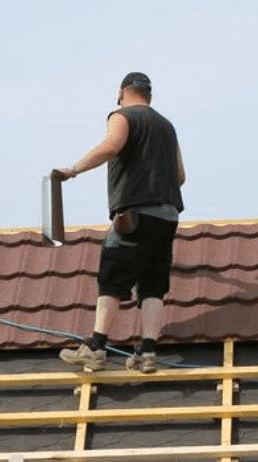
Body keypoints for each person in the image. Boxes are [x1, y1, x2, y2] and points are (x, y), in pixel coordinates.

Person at [55, 71, 185, 374]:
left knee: (112, 276)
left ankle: (96, 348)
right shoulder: (167, 127)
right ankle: (148, 354)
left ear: (122, 92)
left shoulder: (121, 115)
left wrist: (72, 170)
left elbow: (112, 146)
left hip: (135, 213)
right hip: (168, 216)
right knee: (153, 283)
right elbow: (179, 177)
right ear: (149, 95)